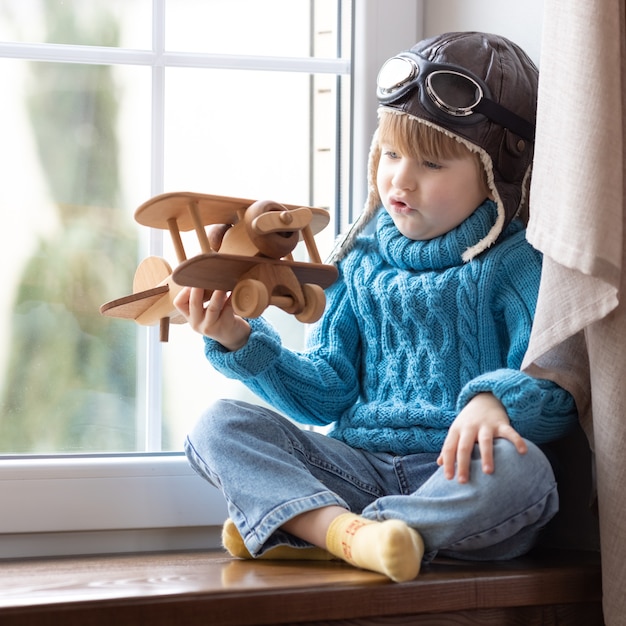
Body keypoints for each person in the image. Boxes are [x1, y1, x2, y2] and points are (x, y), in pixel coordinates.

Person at [173, 31, 578, 583]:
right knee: (218, 425)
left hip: (453, 473)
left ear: (492, 174)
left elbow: (559, 392)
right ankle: (356, 536)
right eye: (390, 154)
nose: (400, 179)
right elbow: (326, 392)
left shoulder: (517, 265)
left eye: (432, 164)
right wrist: (239, 340)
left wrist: (496, 402)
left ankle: (318, 528)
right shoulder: (359, 259)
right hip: (357, 467)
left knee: (526, 474)